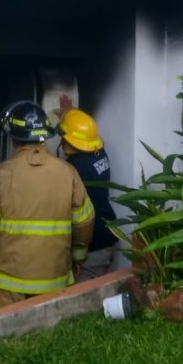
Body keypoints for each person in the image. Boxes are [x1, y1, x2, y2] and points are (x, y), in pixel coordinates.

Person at [0, 100, 95, 313]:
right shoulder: (68, 173)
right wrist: (78, 257)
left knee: (3, 344)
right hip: (54, 287)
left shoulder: (1, 174)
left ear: (14, 137)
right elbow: (85, 223)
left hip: (6, 290)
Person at [56, 107, 117, 279]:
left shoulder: (76, 168)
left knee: (83, 299)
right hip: (106, 232)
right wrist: (67, 114)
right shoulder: (99, 153)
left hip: (93, 246)